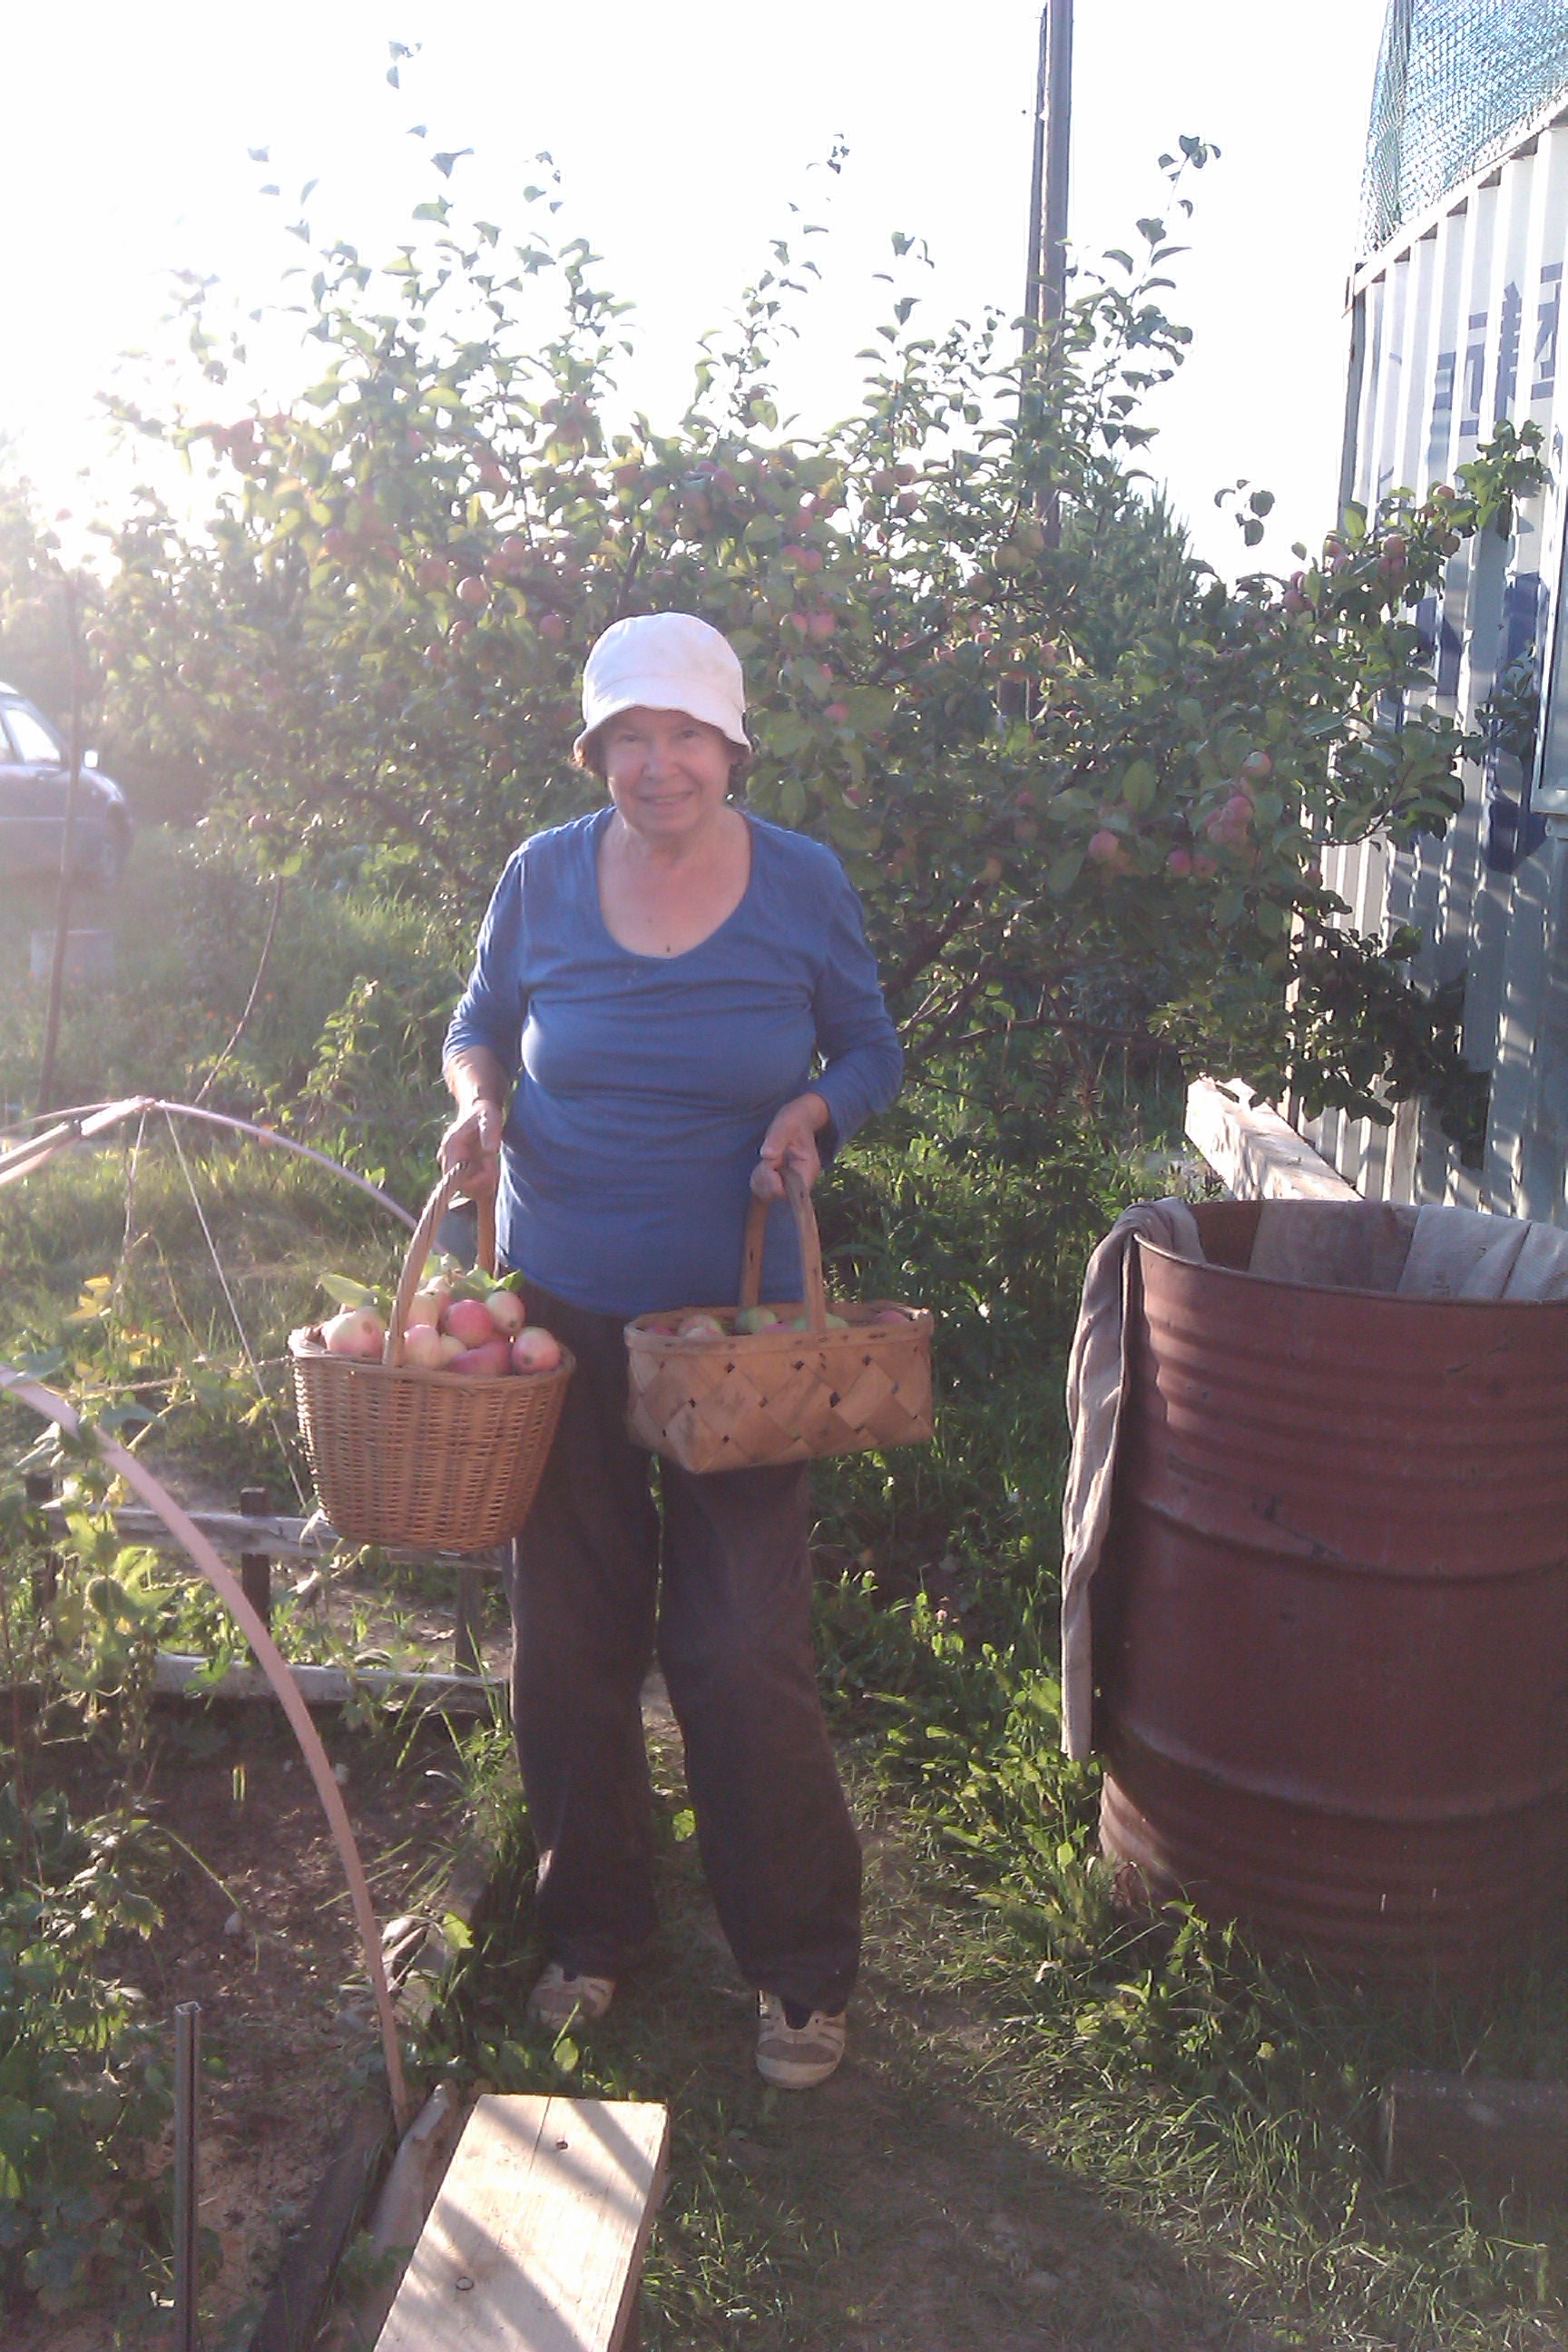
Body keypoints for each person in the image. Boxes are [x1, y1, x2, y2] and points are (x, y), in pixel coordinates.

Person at [439, 611, 902, 2089]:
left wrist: (814, 1114)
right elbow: (478, 1027)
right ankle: (593, 1936)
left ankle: (800, 1970)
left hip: (732, 1333)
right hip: (557, 1310)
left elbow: (872, 1050)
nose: (658, 765)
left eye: (685, 736)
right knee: (568, 1639)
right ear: (597, 755)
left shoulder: (804, 886)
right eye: (628, 739)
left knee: (737, 1645)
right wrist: (474, 1102)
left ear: (730, 748)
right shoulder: (543, 876)